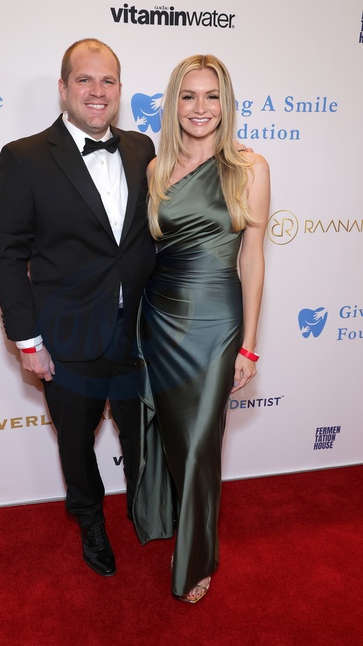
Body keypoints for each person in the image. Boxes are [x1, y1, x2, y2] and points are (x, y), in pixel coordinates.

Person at [0, 39, 156, 578]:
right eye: (84, 79)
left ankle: (145, 505)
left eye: (108, 80)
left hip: (137, 332)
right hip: (66, 337)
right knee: (77, 444)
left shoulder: (143, 148)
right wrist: (27, 340)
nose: (97, 91)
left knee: (142, 433)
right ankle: (89, 520)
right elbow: (7, 254)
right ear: (63, 89)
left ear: (120, 89)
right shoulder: (25, 157)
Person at [132, 54, 270, 603]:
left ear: (225, 103)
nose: (200, 107)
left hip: (216, 324)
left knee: (199, 447)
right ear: (173, 104)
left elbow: (252, 259)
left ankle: (196, 557)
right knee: (170, 435)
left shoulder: (250, 167)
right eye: (188, 96)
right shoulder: (155, 170)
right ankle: (172, 522)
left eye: (211, 96)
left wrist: (250, 347)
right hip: (158, 319)